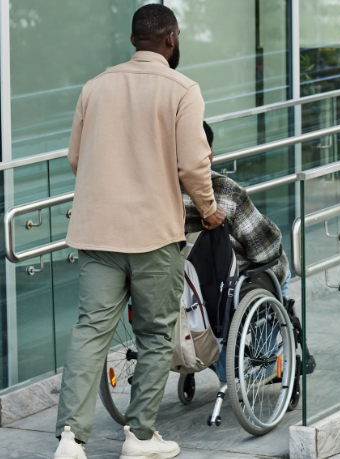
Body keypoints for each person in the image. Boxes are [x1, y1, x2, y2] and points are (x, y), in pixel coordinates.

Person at [54, 5, 225, 459]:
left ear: (134, 41)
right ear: (170, 39)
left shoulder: (95, 87)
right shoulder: (182, 89)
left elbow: (76, 158)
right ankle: (140, 437)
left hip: (97, 232)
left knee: (91, 330)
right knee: (154, 334)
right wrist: (208, 211)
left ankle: (70, 439)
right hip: (153, 234)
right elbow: (193, 164)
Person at [183, 122, 291, 386]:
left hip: (177, 285)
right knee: (279, 273)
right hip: (224, 288)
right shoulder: (225, 192)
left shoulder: (156, 193)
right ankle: (263, 359)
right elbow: (265, 248)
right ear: (208, 153)